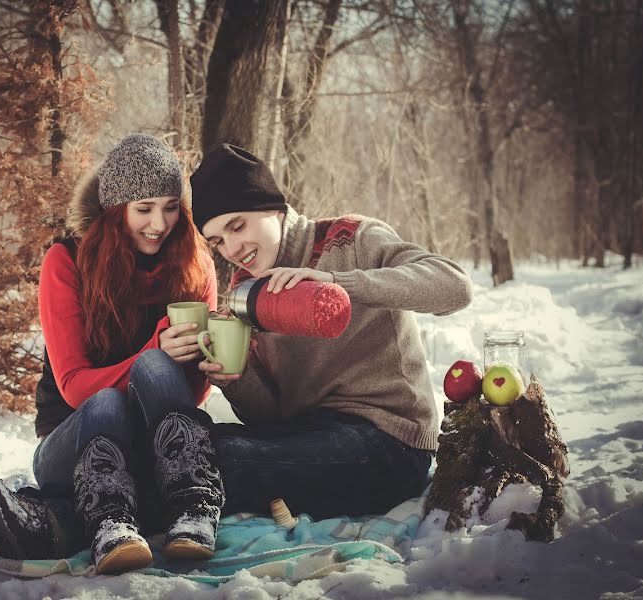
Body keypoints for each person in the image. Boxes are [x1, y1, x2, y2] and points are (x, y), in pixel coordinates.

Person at [0, 134, 225, 574]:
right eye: (143, 209)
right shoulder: (66, 260)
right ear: (114, 211)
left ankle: (190, 507)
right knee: (107, 399)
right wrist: (153, 348)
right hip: (71, 440)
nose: (159, 223)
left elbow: (185, 399)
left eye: (171, 206)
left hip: (157, 453)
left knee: (157, 367)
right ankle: (107, 521)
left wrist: (204, 362)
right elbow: (74, 385)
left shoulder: (194, 263)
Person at [189, 143, 474, 519]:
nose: (232, 248)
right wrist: (236, 379)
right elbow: (271, 418)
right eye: (218, 241)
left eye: (237, 225)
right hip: (311, 438)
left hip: (390, 440)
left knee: (224, 461)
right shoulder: (247, 295)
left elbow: (455, 287)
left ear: (273, 208)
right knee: (193, 440)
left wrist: (335, 284)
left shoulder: (351, 239)